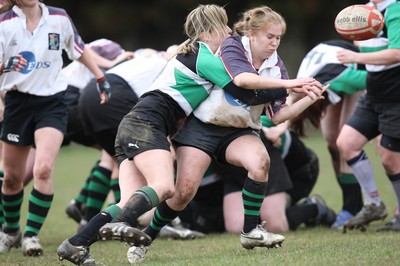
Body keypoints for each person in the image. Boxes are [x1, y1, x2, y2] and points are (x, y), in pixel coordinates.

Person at [116, 5, 326, 264]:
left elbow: (276, 116)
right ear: (252, 33)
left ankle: (250, 231)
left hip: (239, 131)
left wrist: (308, 99)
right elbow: (242, 81)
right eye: (269, 37)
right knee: (183, 193)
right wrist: (290, 85)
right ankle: (147, 237)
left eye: (278, 37)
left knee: (260, 162)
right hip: (202, 127)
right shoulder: (233, 45)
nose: (274, 43)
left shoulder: (276, 67)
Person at [0, 0, 112, 257]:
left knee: (44, 168)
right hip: (17, 103)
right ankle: (10, 230)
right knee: (12, 178)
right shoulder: (5, 23)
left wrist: (100, 77)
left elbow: (79, 49)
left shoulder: (59, 18)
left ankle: (31, 235)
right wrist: (8, 66)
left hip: (52, 103)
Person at [336, 0, 400, 232]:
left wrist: (356, 58)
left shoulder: (396, 9)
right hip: (374, 92)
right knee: (346, 143)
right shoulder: (363, 10)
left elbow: (396, 53)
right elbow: (362, 42)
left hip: (396, 94)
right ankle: (374, 203)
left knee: (390, 160)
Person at [296, 39, 368, 229]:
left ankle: (353, 207)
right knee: (331, 142)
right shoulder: (300, 85)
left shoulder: (340, 78)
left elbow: (375, 80)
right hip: (330, 74)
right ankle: (353, 205)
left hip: (354, 72)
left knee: (346, 142)